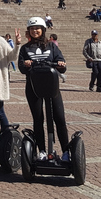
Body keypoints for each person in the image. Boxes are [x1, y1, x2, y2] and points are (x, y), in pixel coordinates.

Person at [18, 16, 70, 161]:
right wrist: (26, 64)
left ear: (43, 30)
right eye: (32, 28)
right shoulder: (25, 48)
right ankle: (41, 150)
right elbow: (21, 67)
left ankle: (66, 151)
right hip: (33, 86)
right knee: (38, 118)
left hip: (51, 86)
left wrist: (61, 64)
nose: (35, 31)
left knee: (59, 118)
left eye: (38, 28)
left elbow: (62, 62)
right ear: (29, 31)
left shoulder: (52, 46)